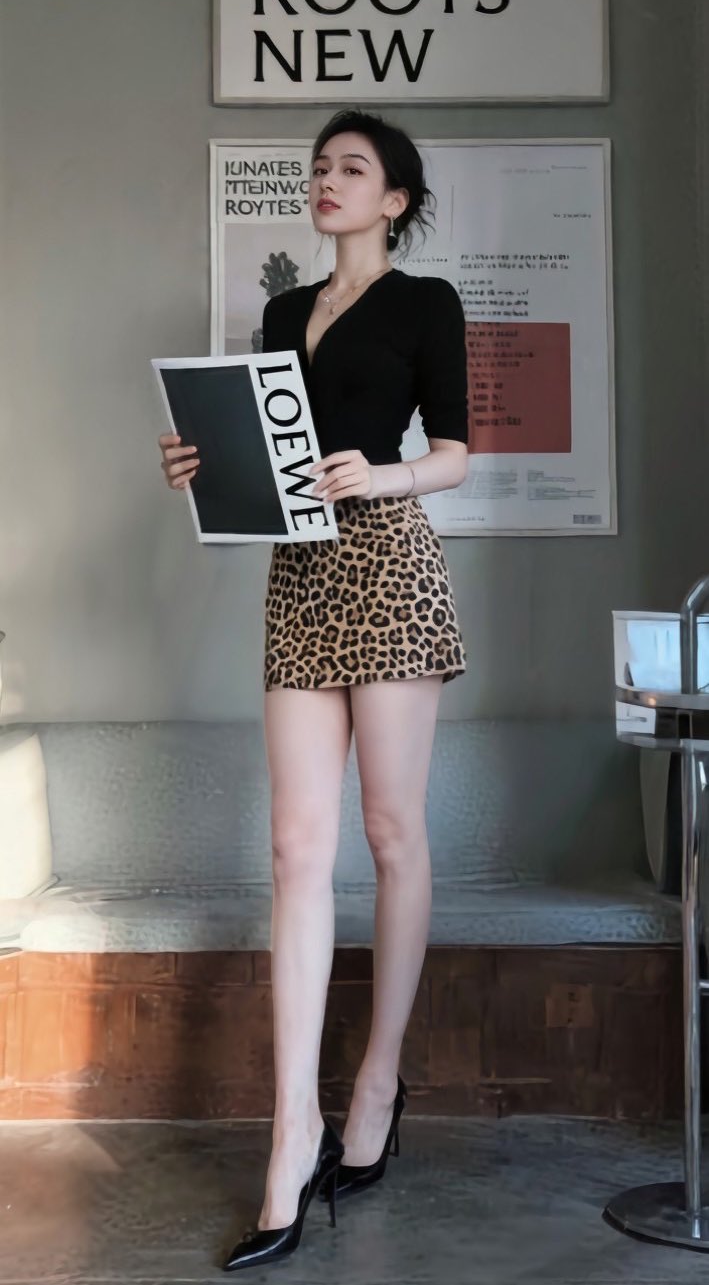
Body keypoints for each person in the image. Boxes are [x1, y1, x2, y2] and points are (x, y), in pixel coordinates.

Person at [158, 108, 469, 1273]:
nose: (325, 181)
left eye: (350, 168)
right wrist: (201, 464)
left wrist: (379, 474)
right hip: (301, 576)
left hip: (391, 567)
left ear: (393, 199)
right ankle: (291, 1131)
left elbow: (457, 453)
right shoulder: (284, 316)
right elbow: (269, 459)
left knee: (390, 832)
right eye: (318, 168)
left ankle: (376, 1083)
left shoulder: (425, 303)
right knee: (296, 847)